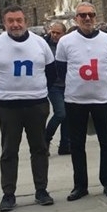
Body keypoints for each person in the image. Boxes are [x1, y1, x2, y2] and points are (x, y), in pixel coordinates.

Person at [0, 6, 56, 212]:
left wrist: (38, 90)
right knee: (9, 150)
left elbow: (51, 71)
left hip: (36, 104)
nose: (15, 24)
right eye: (11, 21)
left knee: (39, 148)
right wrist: (3, 93)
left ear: (26, 21)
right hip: (8, 106)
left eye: (19, 20)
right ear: (4, 23)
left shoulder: (40, 43)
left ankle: (41, 190)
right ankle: (8, 194)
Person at [56, 2, 107, 201]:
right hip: (76, 100)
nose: (87, 19)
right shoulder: (66, 42)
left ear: (96, 16)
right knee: (77, 144)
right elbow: (61, 69)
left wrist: (103, 84)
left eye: (91, 14)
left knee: (106, 142)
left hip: (102, 99)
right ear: (76, 19)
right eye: (82, 15)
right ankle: (80, 185)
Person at [43, 22, 69, 155]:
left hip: (68, 85)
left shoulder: (67, 45)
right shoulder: (44, 45)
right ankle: (45, 140)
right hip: (54, 85)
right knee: (61, 113)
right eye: (52, 32)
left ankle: (65, 144)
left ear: (64, 34)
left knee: (68, 115)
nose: (54, 35)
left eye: (58, 33)